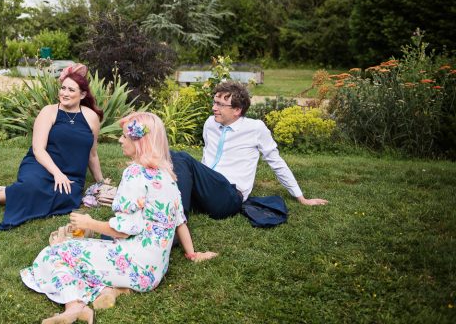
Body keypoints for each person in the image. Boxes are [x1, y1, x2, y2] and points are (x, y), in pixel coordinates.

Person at [21, 112, 217, 324]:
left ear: (140, 141)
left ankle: (74, 306)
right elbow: (180, 222)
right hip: (153, 271)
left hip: (132, 263)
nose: (120, 140)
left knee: (53, 254)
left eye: (125, 136)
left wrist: (89, 223)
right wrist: (192, 254)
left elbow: (124, 230)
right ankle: (110, 290)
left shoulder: (135, 173)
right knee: (77, 251)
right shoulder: (166, 174)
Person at [0, 64, 107, 231]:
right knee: (34, 187)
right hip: (41, 165)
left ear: (83, 94)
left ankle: (12, 191)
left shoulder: (91, 117)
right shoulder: (49, 112)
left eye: (71, 90)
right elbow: (38, 149)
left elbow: (92, 154)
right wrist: (57, 174)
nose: (64, 93)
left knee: (68, 199)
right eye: (63, 88)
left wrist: (100, 183)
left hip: (72, 173)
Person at [172, 80, 328, 221]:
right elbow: (207, 155)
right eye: (214, 102)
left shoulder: (255, 128)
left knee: (183, 158)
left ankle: (178, 222)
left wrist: (301, 197)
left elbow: (276, 162)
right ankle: (168, 208)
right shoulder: (210, 124)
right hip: (205, 190)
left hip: (229, 196)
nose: (214, 108)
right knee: (171, 155)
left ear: (237, 110)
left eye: (220, 104)